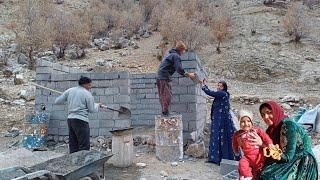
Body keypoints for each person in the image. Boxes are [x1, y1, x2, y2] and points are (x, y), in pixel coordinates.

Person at [249, 101, 318, 180]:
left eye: (269, 112)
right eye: (263, 115)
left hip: (301, 162)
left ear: (276, 111)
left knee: (268, 176)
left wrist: (263, 144)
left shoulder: (288, 125)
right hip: (287, 158)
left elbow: (287, 157)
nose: (266, 117)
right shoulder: (272, 129)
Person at [55, 76, 103, 153]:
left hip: (70, 120)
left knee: (73, 144)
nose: (90, 87)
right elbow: (92, 109)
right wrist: (97, 105)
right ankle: (83, 163)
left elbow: (57, 101)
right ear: (85, 84)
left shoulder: (70, 90)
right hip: (81, 121)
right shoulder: (87, 94)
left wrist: (66, 97)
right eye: (89, 85)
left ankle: (74, 162)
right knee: (84, 145)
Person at [201, 80, 238, 165]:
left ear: (224, 87)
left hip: (222, 121)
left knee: (220, 137)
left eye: (220, 86)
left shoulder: (223, 94)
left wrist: (203, 85)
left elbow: (210, 92)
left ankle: (221, 159)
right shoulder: (220, 95)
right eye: (218, 85)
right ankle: (214, 158)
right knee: (215, 137)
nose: (218, 87)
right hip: (217, 120)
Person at [232, 109, 274, 180]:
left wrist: (269, 143)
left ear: (251, 122)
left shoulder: (256, 130)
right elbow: (234, 142)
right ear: (239, 123)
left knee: (259, 169)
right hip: (247, 157)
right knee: (242, 163)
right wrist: (236, 150)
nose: (246, 124)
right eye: (242, 121)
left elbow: (265, 137)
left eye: (248, 121)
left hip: (259, 156)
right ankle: (247, 176)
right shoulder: (238, 134)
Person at [156, 41, 196, 115]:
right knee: (167, 94)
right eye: (184, 50)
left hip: (160, 76)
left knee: (163, 94)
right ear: (181, 49)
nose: (184, 52)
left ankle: (164, 112)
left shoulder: (170, 54)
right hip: (164, 77)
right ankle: (165, 112)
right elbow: (179, 69)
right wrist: (189, 74)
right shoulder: (176, 56)